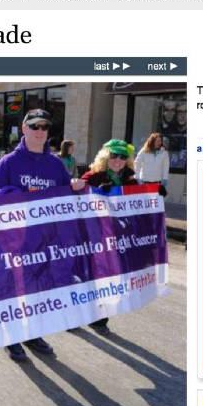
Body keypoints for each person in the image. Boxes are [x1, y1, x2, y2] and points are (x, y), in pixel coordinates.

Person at [0, 109, 85, 362]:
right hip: (15, 242)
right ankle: (12, 337)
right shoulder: (8, 162)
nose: (40, 131)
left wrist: (76, 189)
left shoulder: (55, 164)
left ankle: (33, 333)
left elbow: (65, 198)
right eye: (34, 126)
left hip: (44, 243)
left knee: (38, 290)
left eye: (44, 127)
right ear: (24, 129)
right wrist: (14, 195)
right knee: (14, 290)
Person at [81, 139, 138, 335]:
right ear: (107, 157)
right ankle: (77, 314)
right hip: (93, 234)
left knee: (109, 277)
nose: (118, 160)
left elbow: (138, 207)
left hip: (117, 236)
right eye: (114, 156)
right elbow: (76, 198)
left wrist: (154, 197)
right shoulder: (94, 176)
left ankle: (100, 318)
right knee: (89, 276)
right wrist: (81, 187)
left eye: (123, 157)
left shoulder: (131, 180)